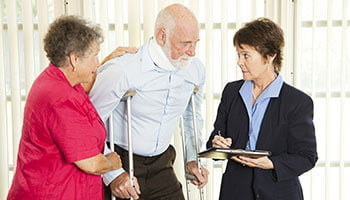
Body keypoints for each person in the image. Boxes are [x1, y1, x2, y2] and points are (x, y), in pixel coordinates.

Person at [7, 15, 136, 200]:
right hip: (54, 193)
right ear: (74, 59)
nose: (97, 62)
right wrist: (112, 163)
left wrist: (107, 63)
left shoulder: (58, 78)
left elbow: (85, 86)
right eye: (94, 56)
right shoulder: (61, 99)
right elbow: (91, 163)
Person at [89, 3, 209, 200]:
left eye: (196, 43)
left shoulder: (195, 70)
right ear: (162, 36)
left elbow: (191, 119)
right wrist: (112, 174)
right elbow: (89, 123)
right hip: (121, 161)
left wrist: (192, 159)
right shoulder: (123, 69)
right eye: (185, 43)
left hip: (162, 164)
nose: (192, 52)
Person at [206, 18, 318, 200]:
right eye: (238, 55)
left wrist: (272, 163)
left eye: (246, 55)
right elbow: (216, 138)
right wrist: (217, 143)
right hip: (235, 192)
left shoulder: (297, 102)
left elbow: (307, 156)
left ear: (270, 55)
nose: (239, 62)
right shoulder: (232, 92)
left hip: (279, 193)